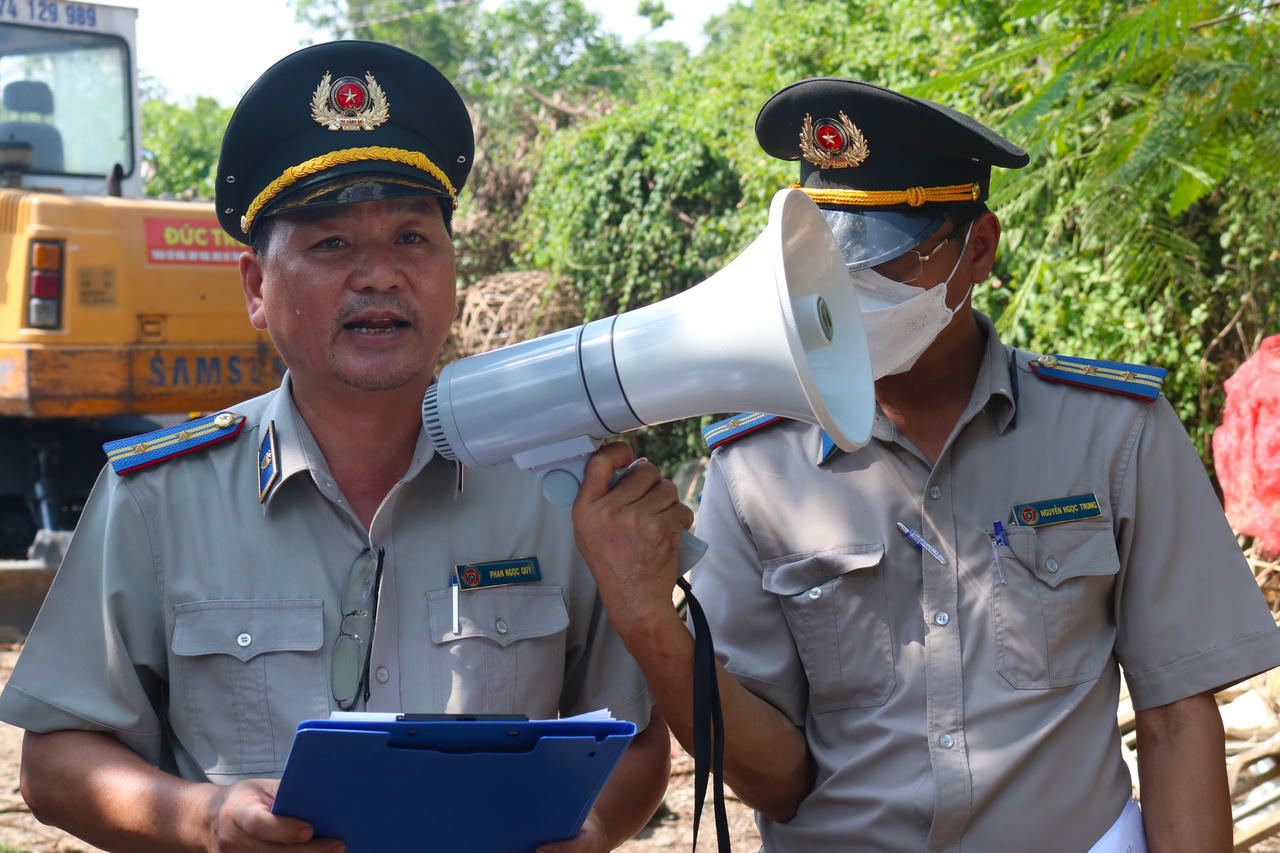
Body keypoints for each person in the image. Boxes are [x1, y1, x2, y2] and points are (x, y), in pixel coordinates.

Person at [572, 77, 1280, 852]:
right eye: (825, 264)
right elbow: (773, 778)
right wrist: (649, 621)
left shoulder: (1113, 435)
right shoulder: (757, 469)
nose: (848, 294)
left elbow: (1179, 717)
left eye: (890, 264)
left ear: (978, 249)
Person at [0, 40, 669, 852]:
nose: (379, 275)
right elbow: (54, 761)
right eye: (331, 245)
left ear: (453, 266)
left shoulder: (555, 486)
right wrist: (204, 817)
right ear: (255, 286)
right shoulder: (157, 498)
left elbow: (633, 741)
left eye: (412, 238)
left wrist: (591, 833)